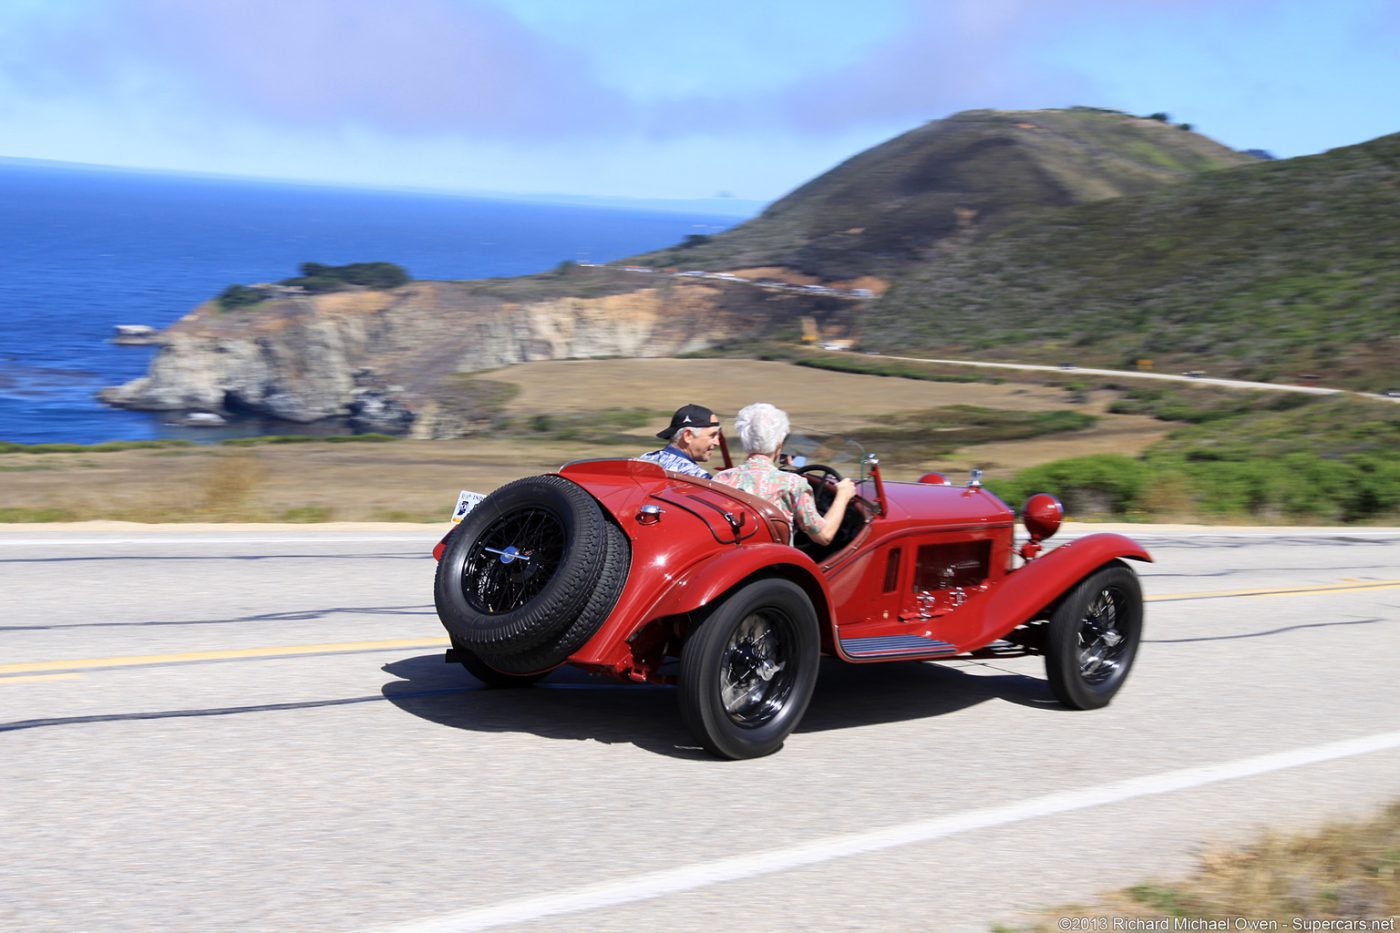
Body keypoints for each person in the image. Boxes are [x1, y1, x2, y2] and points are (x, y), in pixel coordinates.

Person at [713, 402, 856, 546]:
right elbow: (824, 535)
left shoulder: (720, 480)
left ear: (744, 441)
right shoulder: (792, 484)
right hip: (777, 564)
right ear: (779, 443)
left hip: (734, 556)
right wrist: (843, 496)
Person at [637, 404, 722, 479]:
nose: (717, 443)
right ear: (688, 436)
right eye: (712, 435)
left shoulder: (644, 460)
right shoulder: (699, 478)